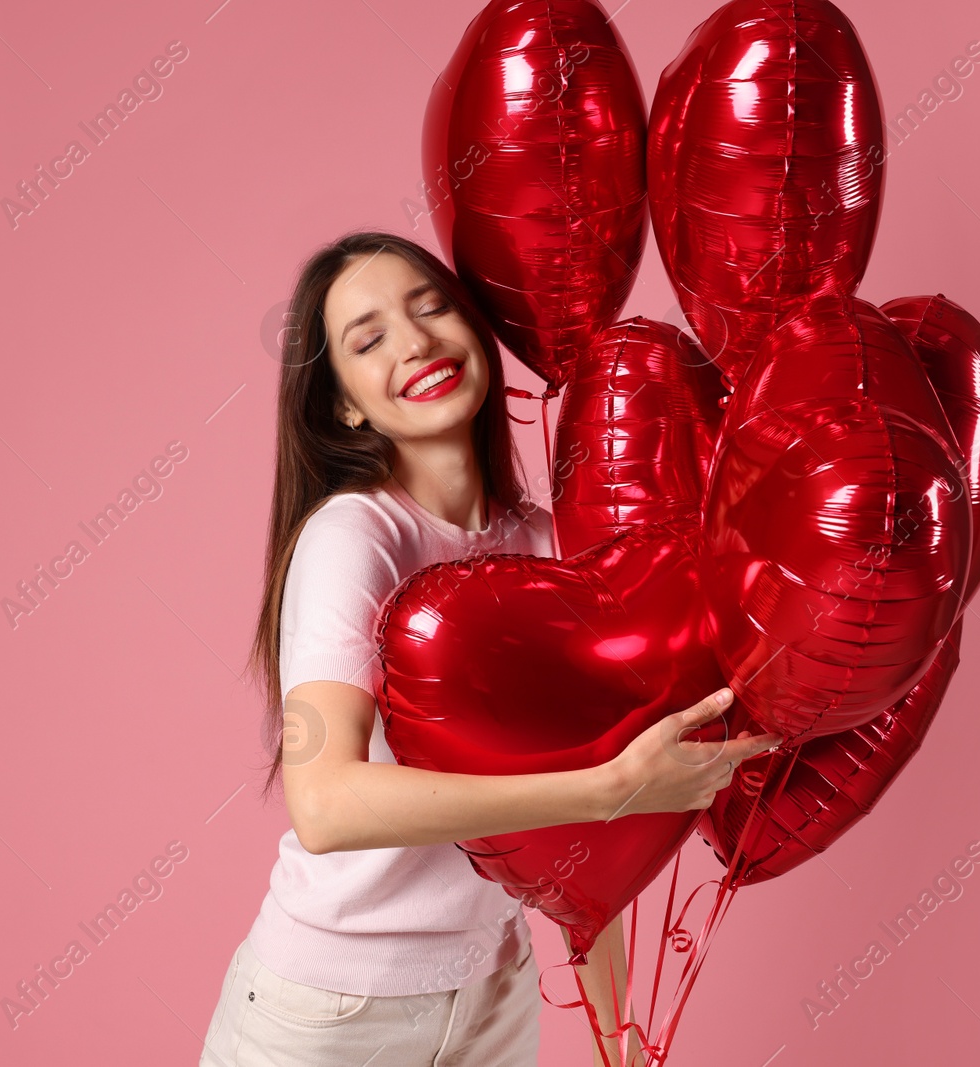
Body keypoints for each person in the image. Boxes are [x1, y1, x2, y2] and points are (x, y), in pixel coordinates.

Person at [198, 231, 782, 1067]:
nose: (416, 342)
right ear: (345, 406)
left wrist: (615, 1034)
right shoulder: (356, 535)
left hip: (493, 998)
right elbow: (322, 805)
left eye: (432, 307)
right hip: (330, 1014)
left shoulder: (549, 547)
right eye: (369, 339)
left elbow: (593, 856)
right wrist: (610, 787)